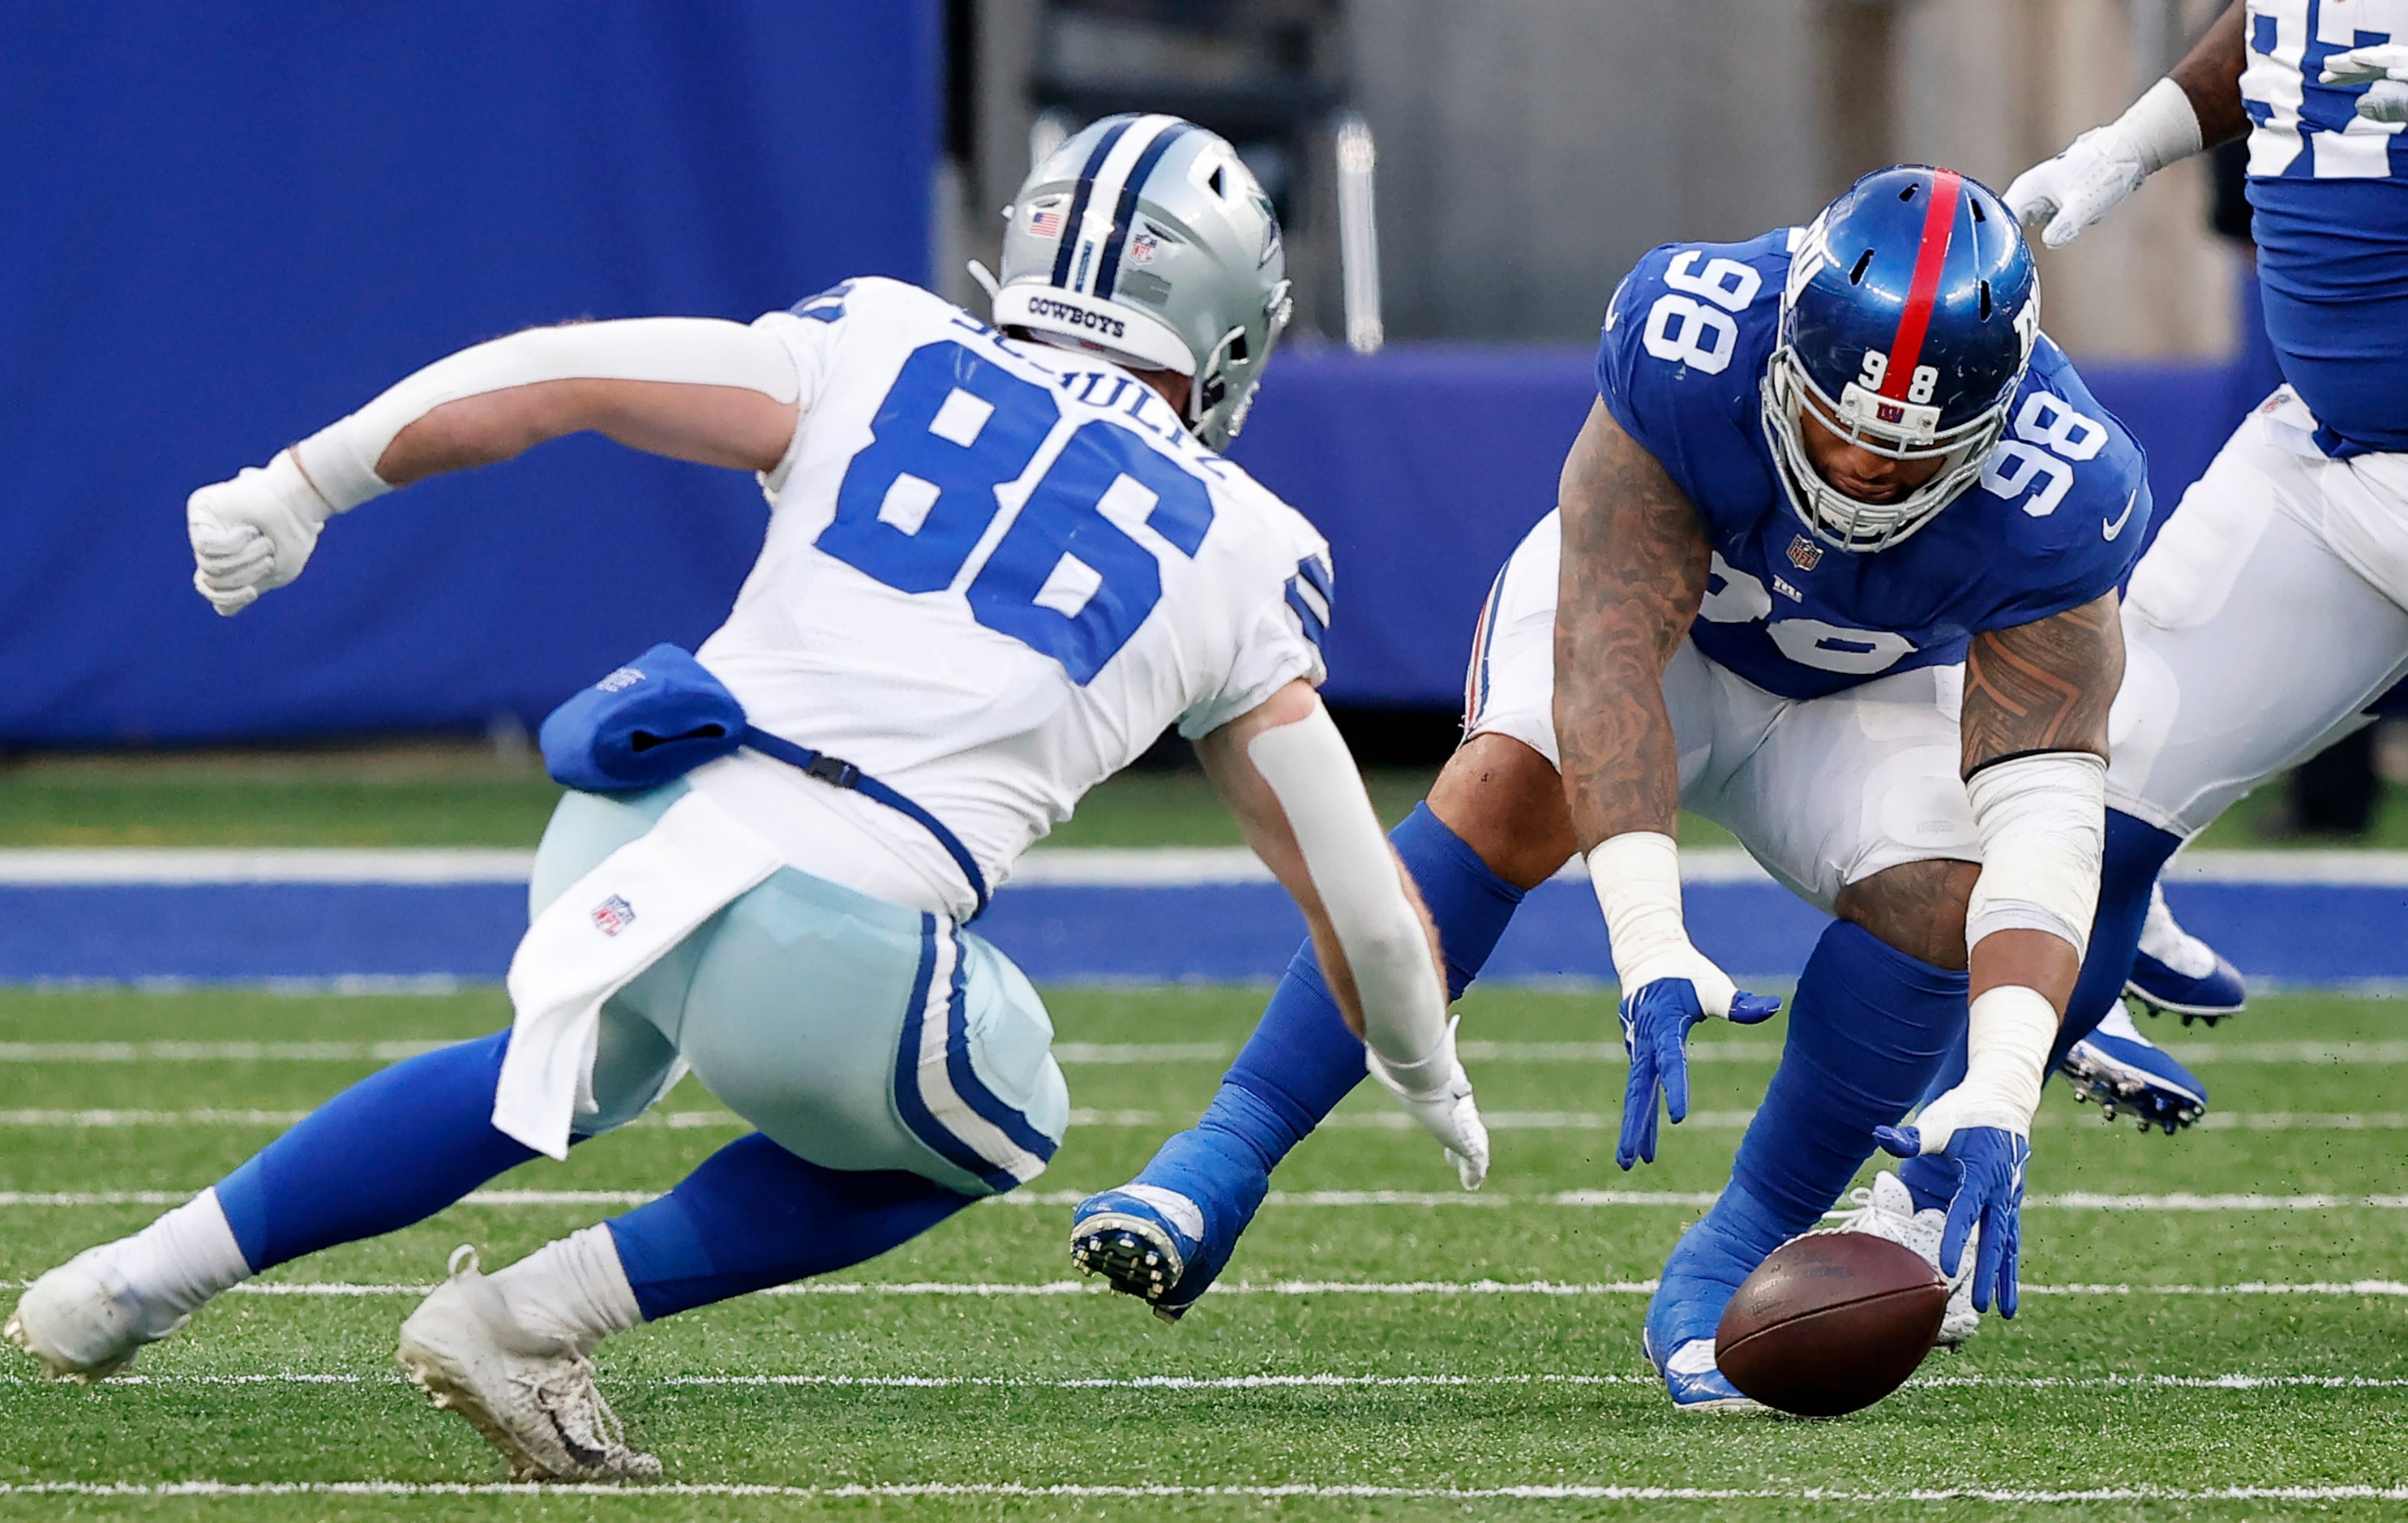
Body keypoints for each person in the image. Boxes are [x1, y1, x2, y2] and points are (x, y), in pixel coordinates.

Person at [5, 114, 1490, 1478]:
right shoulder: (1248, 542)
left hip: (639, 812)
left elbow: (559, 371)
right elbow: (1356, 893)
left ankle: (129, 1278)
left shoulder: (882, 337)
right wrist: (1421, 1064)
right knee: (1004, 1113)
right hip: (836, 932)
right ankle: (527, 1316)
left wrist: (302, 485)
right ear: (1225, 322)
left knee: (556, 1071)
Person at [1076, 164, 2146, 1409]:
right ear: (1786, 354)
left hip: (1868, 686)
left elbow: (2048, 811)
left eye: (1903, 457)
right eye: (1834, 427)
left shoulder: (2066, 483)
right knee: (1507, 783)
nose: (1858, 469)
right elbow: (1607, 650)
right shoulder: (1695, 336)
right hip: (1666, 637)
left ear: (1997, 416)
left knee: (1945, 894)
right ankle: (1223, 1151)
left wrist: (2004, 1082)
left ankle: (1733, 1262)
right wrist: (1647, 934)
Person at [1924, 0, 2408, 1157]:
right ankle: (1923, 1207)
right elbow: (2278, 23)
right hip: (2336, 464)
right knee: (2078, 817)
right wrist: (2126, 145)